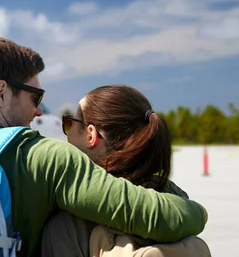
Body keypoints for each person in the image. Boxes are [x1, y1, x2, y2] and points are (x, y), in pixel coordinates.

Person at [0, 37, 208, 256]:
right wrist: (198, 212)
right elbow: (156, 216)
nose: (38, 110)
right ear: (2, 93)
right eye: (36, 98)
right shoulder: (43, 157)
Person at [41, 85, 211, 256]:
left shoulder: (66, 226)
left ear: (90, 135)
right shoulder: (176, 201)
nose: (66, 135)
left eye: (70, 123)